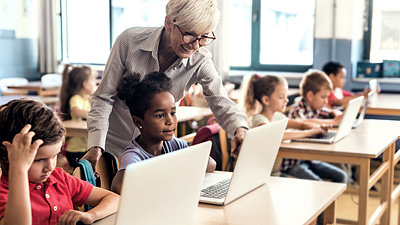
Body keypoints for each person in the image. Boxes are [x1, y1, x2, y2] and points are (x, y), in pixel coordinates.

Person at [84, 0, 248, 171]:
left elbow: (221, 102)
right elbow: (103, 97)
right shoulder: (129, 42)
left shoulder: (200, 59)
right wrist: (96, 146)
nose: (195, 45)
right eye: (190, 34)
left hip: (158, 154)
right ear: (168, 22)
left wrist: (240, 129)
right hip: (113, 150)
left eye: (204, 37)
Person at [0, 99, 119, 225]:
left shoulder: (59, 178)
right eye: (39, 160)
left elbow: (115, 199)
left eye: (55, 155)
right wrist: (19, 169)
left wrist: (91, 215)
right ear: (10, 156)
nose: (50, 167)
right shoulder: (4, 194)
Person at [110, 72, 216, 194]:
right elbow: (118, 186)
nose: (170, 121)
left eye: (173, 113)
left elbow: (210, 163)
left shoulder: (174, 144)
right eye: (160, 115)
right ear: (139, 122)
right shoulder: (134, 155)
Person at [243, 74, 328, 177]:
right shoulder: (258, 119)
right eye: (281, 97)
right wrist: (308, 133)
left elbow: (301, 125)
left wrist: (315, 127)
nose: (286, 100)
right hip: (262, 175)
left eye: (286, 96)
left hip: (275, 172)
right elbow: (277, 135)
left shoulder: (278, 116)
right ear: (266, 100)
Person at [286, 71, 348, 183]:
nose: (326, 101)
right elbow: (303, 122)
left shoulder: (316, 109)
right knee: (319, 184)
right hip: (294, 163)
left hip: (309, 160)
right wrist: (333, 121)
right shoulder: (297, 111)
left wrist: (335, 113)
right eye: (323, 97)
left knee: (342, 176)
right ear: (310, 95)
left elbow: (331, 112)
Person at [59, 64, 97, 167]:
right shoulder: (76, 98)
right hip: (75, 151)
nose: (96, 83)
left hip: (85, 148)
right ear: (85, 84)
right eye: (93, 80)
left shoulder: (87, 99)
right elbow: (76, 111)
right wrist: (95, 115)